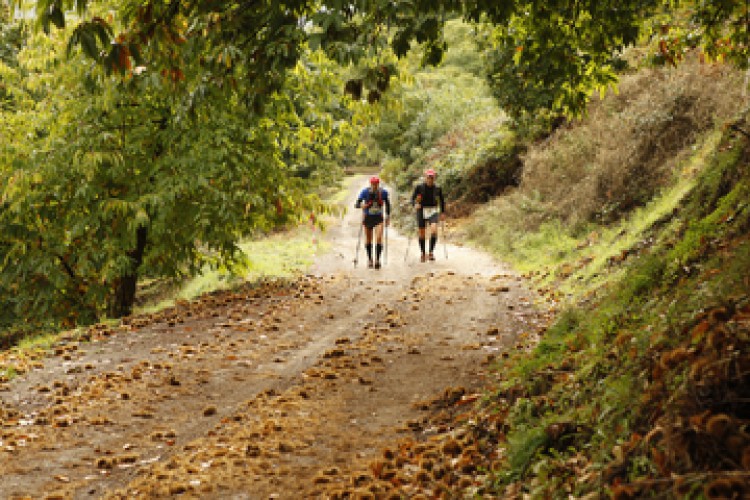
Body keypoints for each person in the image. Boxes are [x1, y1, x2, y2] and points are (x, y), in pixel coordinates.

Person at [355, 176, 391, 269]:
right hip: (368, 217)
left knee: (379, 237)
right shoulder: (365, 192)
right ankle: (370, 259)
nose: (374, 186)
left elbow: (387, 205)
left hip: (378, 217)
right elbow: (357, 204)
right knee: (368, 239)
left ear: (378, 184)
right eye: (373, 184)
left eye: (376, 184)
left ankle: (377, 260)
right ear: (370, 184)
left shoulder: (383, 192)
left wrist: (387, 216)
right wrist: (362, 205)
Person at [411, 169, 446, 262]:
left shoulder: (438, 188)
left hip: (433, 210)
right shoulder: (419, 187)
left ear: (434, 178)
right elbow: (412, 198)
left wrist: (442, 212)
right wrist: (415, 204)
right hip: (422, 209)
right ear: (425, 178)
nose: (430, 179)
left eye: (432, 177)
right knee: (422, 232)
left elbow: (442, 200)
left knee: (434, 230)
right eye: (428, 177)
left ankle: (431, 252)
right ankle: (423, 253)